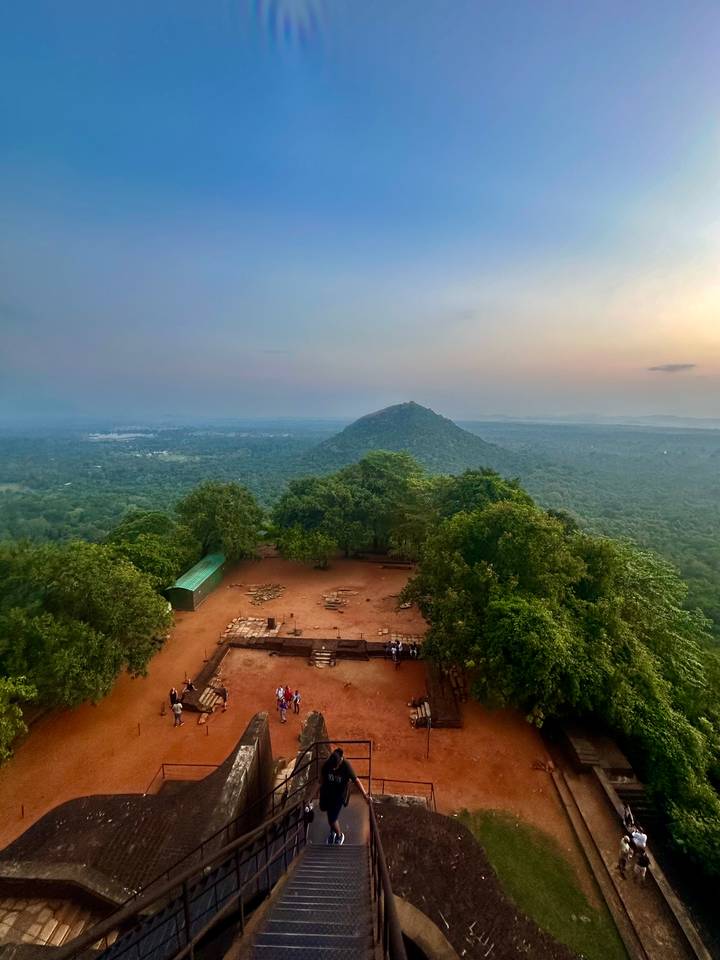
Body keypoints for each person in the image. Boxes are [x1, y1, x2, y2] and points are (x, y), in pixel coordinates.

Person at [319, 747, 370, 845]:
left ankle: (339, 835)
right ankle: (333, 831)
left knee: (332, 818)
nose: (333, 768)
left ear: (340, 761)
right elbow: (320, 781)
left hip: (340, 795)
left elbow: (356, 781)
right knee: (329, 814)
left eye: (336, 767)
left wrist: (365, 796)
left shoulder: (346, 766)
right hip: (329, 793)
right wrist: (310, 798)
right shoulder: (328, 764)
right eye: (332, 767)